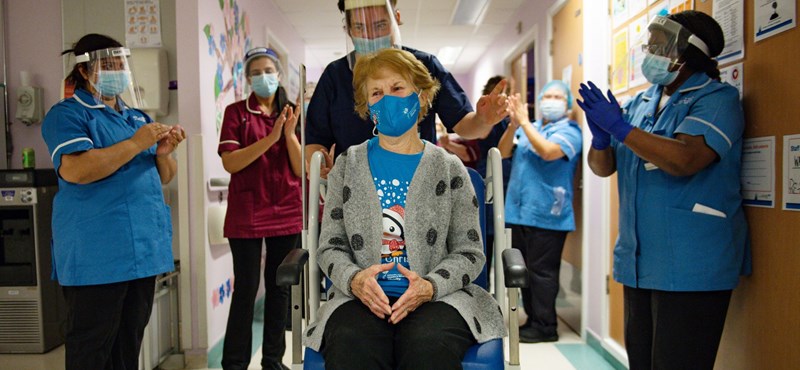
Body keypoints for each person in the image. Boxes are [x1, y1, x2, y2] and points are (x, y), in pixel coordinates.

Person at [303, 48, 505, 370]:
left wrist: (429, 286)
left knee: (428, 343)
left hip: (439, 296)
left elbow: (470, 252)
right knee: (352, 342)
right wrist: (355, 280)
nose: (388, 100)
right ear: (367, 106)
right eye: (377, 93)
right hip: (360, 297)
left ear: (422, 97)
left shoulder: (449, 169)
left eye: (398, 88)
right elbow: (330, 246)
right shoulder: (347, 166)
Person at [577, 11, 750, 369]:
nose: (650, 52)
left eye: (660, 45)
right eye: (649, 44)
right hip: (639, 261)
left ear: (689, 53)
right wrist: (600, 139)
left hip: (692, 265)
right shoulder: (640, 104)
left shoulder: (717, 99)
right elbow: (603, 168)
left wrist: (622, 129)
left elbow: (685, 159)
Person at [41, 33, 184, 370]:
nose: (118, 70)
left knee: (128, 343)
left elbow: (164, 175)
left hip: (142, 253)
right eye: (108, 65)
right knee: (92, 347)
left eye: (121, 64)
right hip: (98, 256)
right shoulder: (68, 115)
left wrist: (163, 153)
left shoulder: (136, 117)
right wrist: (136, 144)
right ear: (86, 71)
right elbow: (76, 170)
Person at [305, 0, 509, 176]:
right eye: (360, 28)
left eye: (380, 25)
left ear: (397, 18)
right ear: (347, 29)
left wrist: (483, 120)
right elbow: (316, 140)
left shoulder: (424, 66)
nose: (370, 36)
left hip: (420, 182)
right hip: (356, 187)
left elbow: (463, 122)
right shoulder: (335, 77)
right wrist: (319, 166)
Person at [217, 47, 302, 370]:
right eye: (256, 72)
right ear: (248, 78)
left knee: (279, 289)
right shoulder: (236, 112)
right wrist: (271, 138)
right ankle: (235, 364)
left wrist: (288, 134)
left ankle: (272, 360)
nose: (263, 77)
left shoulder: (292, 111)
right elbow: (231, 162)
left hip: (285, 210)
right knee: (246, 289)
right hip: (247, 213)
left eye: (268, 70)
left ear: (279, 75)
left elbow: (297, 169)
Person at [498, 80, 582, 343]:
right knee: (523, 271)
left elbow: (547, 152)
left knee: (542, 273)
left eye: (558, 96)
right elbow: (501, 152)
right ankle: (532, 320)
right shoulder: (529, 128)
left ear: (567, 104)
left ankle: (546, 326)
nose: (551, 100)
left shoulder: (570, 131)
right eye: (547, 95)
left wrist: (523, 123)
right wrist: (514, 125)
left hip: (549, 214)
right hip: (519, 211)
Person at [475, 76, 514, 279]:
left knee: (505, 238)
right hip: (488, 176)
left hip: (509, 180)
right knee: (485, 235)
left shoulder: (513, 120)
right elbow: (482, 137)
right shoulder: (486, 120)